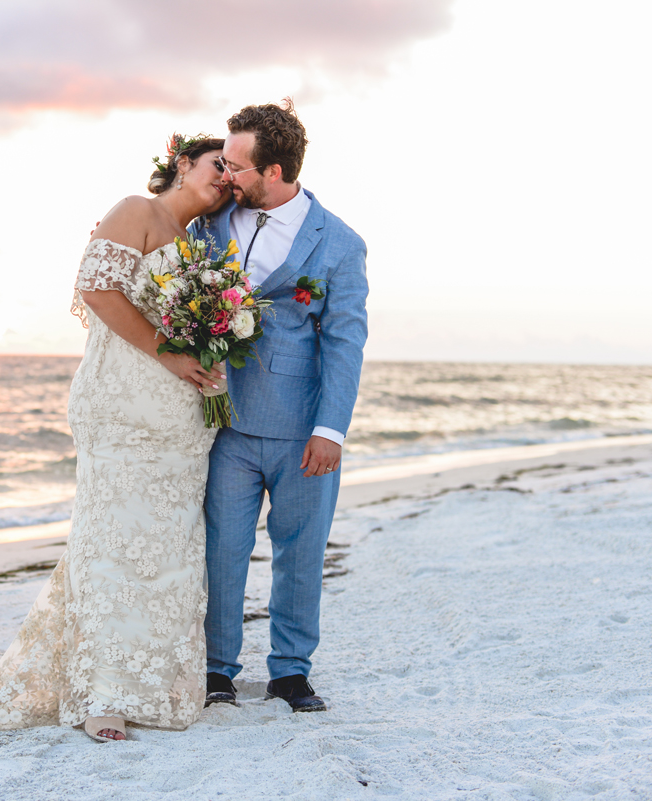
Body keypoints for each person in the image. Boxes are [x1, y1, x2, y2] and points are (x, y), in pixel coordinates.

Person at [0, 134, 229, 742]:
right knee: (112, 541)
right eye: (218, 165)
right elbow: (96, 290)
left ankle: (156, 684)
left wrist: (203, 359)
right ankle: (101, 693)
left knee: (168, 545)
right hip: (125, 402)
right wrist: (169, 354)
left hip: (179, 418)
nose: (224, 178)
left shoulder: (199, 245)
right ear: (183, 162)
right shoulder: (137, 208)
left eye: (232, 176)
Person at [190, 100, 369, 712]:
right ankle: (217, 669)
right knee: (221, 550)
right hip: (225, 424)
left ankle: (291, 671)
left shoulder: (340, 243)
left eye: (236, 165)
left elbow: (346, 339)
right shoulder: (210, 224)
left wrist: (331, 429)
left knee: (301, 552)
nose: (225, 175)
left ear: (273, 171)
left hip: (301, 430)